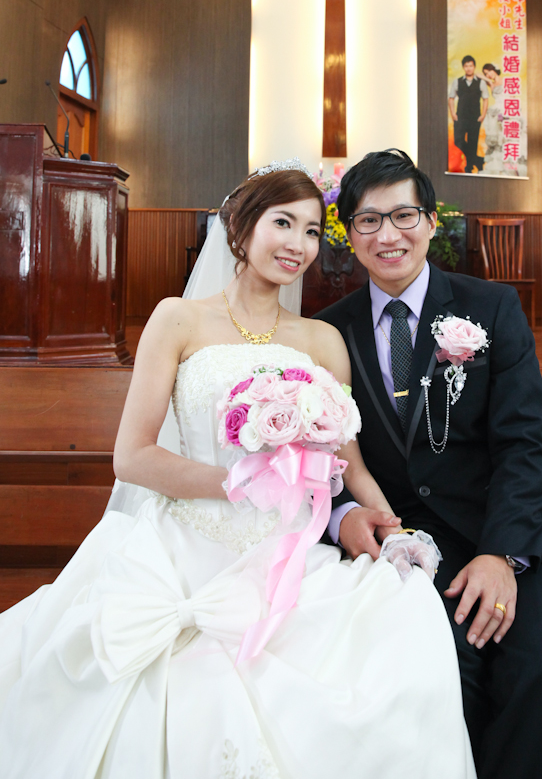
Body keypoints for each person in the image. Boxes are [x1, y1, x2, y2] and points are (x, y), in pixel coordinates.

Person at [0, 162, 475, 779]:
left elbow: (348, 462)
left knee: (397, 622)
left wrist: (392, 527)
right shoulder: (178, 319)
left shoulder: (321, 341)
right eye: (284, 223)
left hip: (284, 551)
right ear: (241, 227)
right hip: (183, 543)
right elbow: (132, 457)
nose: (298, 244)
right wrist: (236, 484)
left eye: (312, 231)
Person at [316, 149, 542, 779]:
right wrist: (346, 515)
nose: (388, 234)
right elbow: (323, 458)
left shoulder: (491, 308)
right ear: (348, 234)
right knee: (438, 675)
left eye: (403, 215)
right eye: (368, 220)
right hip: (409, 548)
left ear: (432, 221)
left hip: (514, 533)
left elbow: (524, 442)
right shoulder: (328, 332)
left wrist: (502, 556)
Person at [448, 55, 488, 172]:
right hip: (460, 116)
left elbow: (485, 99)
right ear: (463, 67)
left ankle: (469, 166)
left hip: (475, 117)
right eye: (466, 66)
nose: (469, 68)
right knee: (458, 140)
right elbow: (451, 98)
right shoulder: (457, 81)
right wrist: (453, 113)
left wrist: (483, 115)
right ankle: (477, 160)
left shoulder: (480, 82)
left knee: (473, 142)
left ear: (474, 67)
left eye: (471, 66)